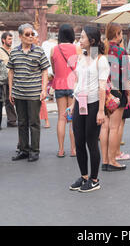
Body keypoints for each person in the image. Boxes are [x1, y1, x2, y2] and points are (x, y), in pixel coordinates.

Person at [68, 26, 109, 192]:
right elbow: (77, 81)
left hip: (93, 104)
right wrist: (72, 104)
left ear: (92, 40)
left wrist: (101, 111)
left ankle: (94, 179)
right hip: (80, 102)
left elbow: (102, 87)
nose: (80, 39)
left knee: (91, 142)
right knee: (78, 141)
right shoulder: (81, 57)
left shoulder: (101, 60)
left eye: (83, 37)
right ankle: (84, 176)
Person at [8, 24, 50, 162]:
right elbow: (11, 71)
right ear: (20, 36)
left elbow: (45, 71)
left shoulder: (39, 51)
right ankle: (24, 149)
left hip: (33, 93)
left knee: (34, 122)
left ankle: (34, 150)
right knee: (22, 122)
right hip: (19, 92)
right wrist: (10, 90)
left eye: (32, 34)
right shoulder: (14, 52)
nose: (31, 37)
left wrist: (44, 90)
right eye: (27, 34)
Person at [99, 23, 130, 172]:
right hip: (117, 92)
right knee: (114, 127)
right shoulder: (121, 52)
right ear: (117, 34)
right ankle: (112, 160)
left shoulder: (99, 50)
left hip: (102, 92)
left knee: (104, 127)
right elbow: (126, 78)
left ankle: (105, 159)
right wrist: (128, 95)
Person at [50, 24, 79, 158]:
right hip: (73, 85)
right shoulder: (77, 48)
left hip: (59, 85)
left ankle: (61, 150)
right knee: (72, 119)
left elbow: (54, 69)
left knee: (61, 117)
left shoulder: (54, 49)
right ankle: (74, 150)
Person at [0, 32, 17, 127]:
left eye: (11, 39)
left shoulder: (13, 51)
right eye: (9, 39)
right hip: (3, 78)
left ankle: (12, 120)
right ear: (3, 40)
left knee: (11, 99)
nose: (11, 41)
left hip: (13, 78)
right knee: (1, 100)